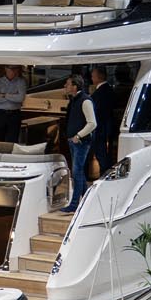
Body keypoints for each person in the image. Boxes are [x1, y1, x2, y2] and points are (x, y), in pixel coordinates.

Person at [61, 73, 98, 213]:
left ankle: (75, 204)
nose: (65, 86)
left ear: (74, 86)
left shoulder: (85, 100)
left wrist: (78, 135)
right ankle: (88, 200)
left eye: (68, 84)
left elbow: (92, 123)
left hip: (81, 141)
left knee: (77, 172)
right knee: (79, 171)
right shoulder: (74, 100)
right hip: (73, 140)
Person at [89, 67, 124, 174]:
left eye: (93, 76)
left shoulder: (99, 93)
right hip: (109, 125)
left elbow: (97, 111)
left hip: (100, 127)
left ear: (99, 77)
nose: (91, 78)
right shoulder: (109, 90)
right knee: (107, 154)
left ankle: (105, 174)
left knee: (101, 153)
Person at [0, 65, 27, 145]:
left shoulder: (21, 82)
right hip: (0, 114)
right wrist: (13, 95)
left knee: (13, 141)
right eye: (11, 69)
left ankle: (10, 157)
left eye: (16, 69)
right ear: (6, 69)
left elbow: (20, 98)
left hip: (14, 114)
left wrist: (4, 95)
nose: (14, 71)